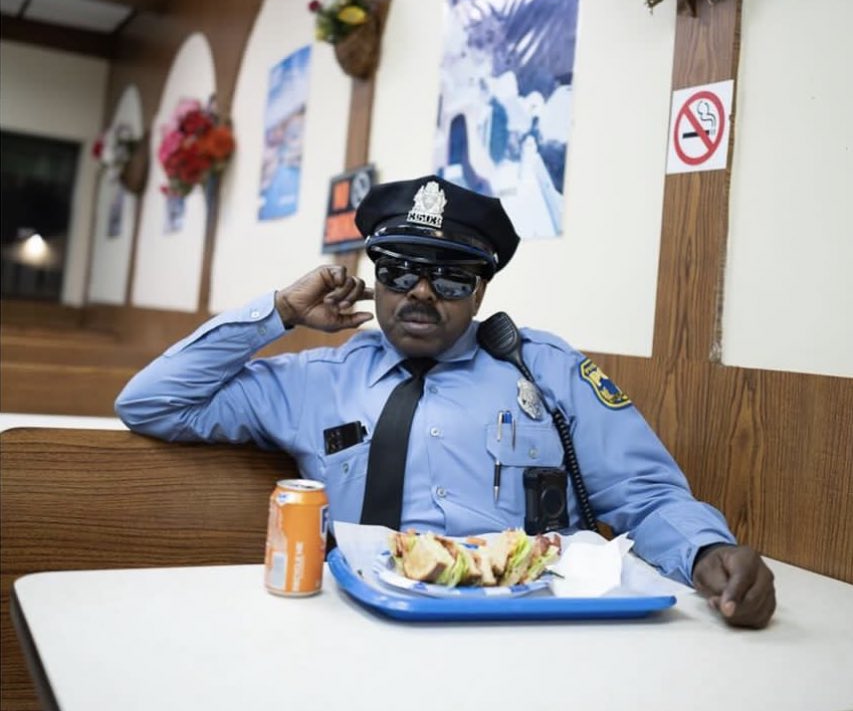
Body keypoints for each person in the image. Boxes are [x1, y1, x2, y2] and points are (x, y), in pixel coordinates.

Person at [115, 174, 775, 628]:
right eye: (399, 270)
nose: (421, 293)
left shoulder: (546, 370)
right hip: (359, 628)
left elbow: (648, 496)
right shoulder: (313, 380)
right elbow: (150, 402)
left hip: (538, 630)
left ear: (481, 291)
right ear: (373, 281)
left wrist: (703, 553)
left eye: (451, 275)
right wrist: (279, 311)